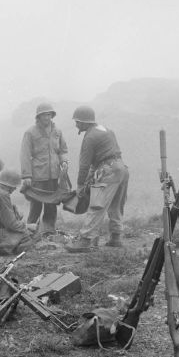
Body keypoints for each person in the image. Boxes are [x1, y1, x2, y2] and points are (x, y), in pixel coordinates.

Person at [66, 106, 129, 252]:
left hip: (108, 170)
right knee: (116, 204)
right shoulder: (106, 130)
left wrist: (80, 185)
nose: (76, 124)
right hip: (122, 168)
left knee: (97, 205)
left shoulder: (90, 137)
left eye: (77, 121)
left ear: (84, 122)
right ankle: (116, 237)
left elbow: (84, 165)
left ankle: (85, 240)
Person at [20, 102, 69, 234]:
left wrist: (64, 161)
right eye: (44, 115)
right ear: (38, 117)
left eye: (49, 114)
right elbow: (25, 154)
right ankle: (30, 232)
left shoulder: (57, 131)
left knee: (52, 204)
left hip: (54, 174)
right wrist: (27, 175)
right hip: (38, 175)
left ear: (52, 115)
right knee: (36, 204)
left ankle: (48, 231)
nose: (47, 117)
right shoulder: (30, 132)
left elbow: (63, 150)